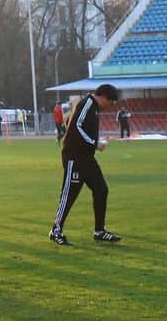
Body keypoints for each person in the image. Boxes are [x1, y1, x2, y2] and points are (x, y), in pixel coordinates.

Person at [49, 83, 123, 246]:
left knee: (101, 189)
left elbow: (73, 124)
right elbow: (75, 126)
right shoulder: (87, 103)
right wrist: (94, 143)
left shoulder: (93, 108)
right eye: (110, 103)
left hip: (87, 158)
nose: (110, 107)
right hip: (74, 157)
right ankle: (56, 230)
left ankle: (99, 231)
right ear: (103, 96)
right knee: (69, 194)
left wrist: (92, 143)